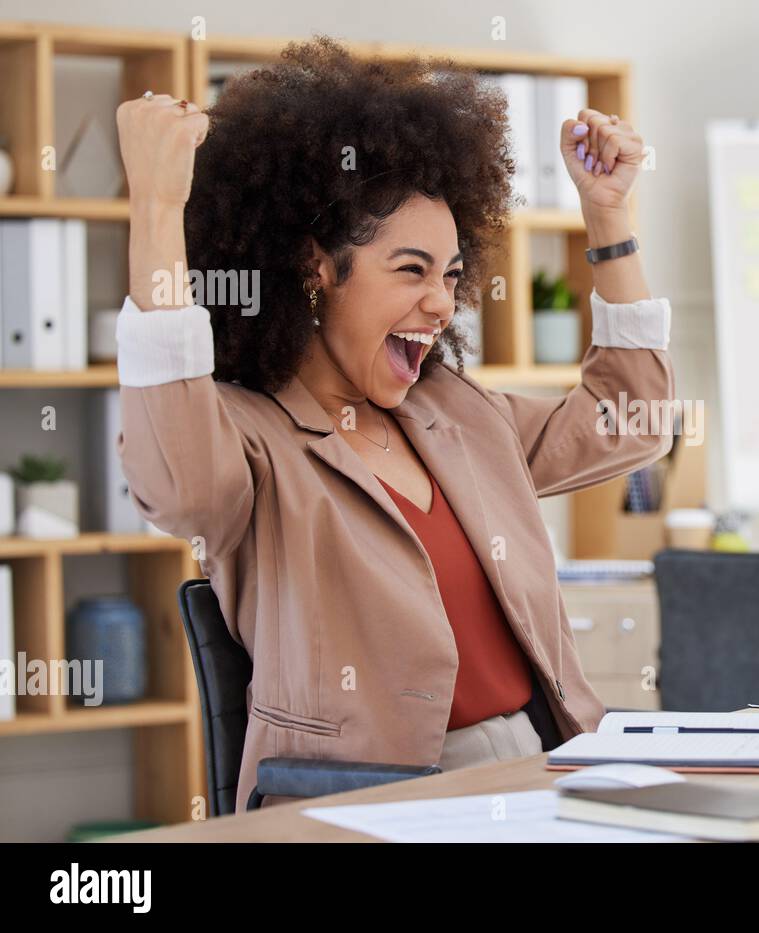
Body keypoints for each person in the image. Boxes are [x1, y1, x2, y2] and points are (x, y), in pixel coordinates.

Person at [114, 38, 673, 811]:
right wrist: (154, 207)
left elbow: (631, 425)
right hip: (365, 806)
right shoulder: (249, 440)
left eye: (449, 275)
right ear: (317, 269)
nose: (443, 303)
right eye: (410, 271)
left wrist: (608, 220)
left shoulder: (455, 412)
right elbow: (178, 484)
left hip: (544, 767)